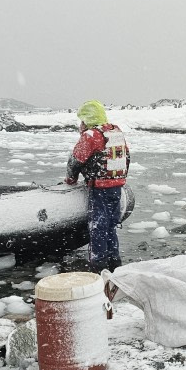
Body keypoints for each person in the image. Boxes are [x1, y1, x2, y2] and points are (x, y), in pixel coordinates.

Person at [65, 100, 130, 273]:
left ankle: (98, 267)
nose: (81, 124)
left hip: (99, 188)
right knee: (110, 225)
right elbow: (126, 157)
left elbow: (75, 161)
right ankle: (114, 263)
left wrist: (70, 180)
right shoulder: (116, 132)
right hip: (117, 186)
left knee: (98, 227)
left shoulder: (91, 136)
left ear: (88, 118)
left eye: (83, 120)